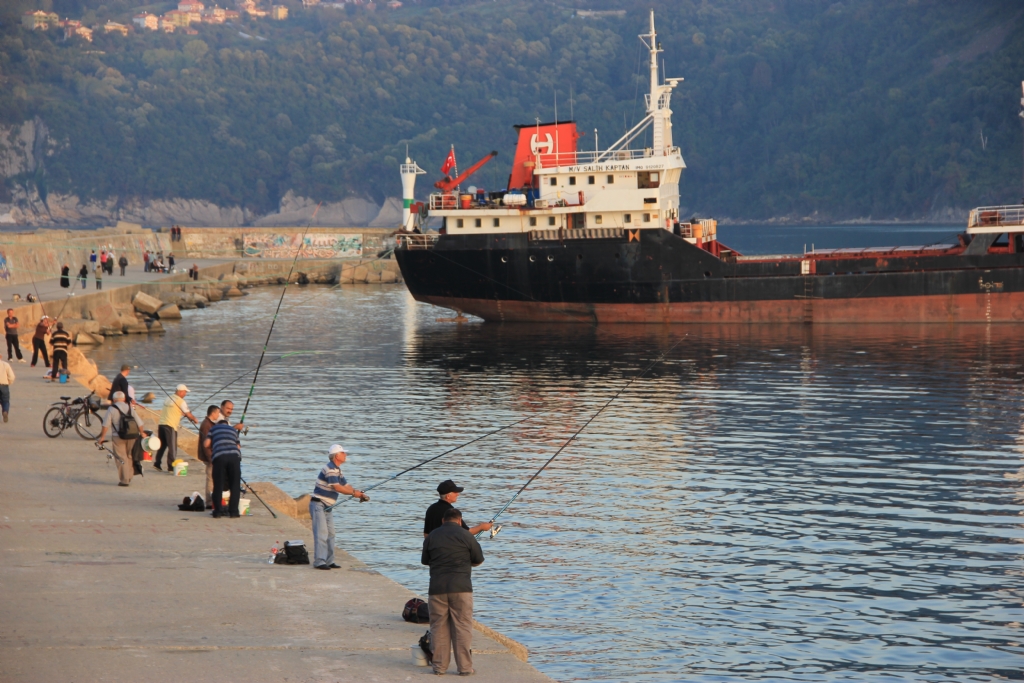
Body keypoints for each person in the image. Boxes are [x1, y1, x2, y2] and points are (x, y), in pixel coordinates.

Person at [421, 507, 484, 676]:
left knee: (438, 627)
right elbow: (478, 560)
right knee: (462, 627)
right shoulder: (466, 536)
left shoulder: (432, 536)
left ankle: (439, 667)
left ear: (443, 520)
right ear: (459, 521)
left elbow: (425, 561)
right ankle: (465, 668)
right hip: (461, 588)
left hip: (437, 588)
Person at [309, 445, 368, 569]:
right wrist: (354, 493)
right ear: (337, 456)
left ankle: (329, 561)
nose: (345, 455)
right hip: (318, 504)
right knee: (322, 534)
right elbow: (337, 487)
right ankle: (319, 562)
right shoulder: (330, 469)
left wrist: (359, 494)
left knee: (331, 534)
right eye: (343, 453)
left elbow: (345, 486)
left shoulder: (337, 470)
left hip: (327, 506)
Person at [96, 390, 142, 487]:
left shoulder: (112, 409)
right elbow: (139, 422)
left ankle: (124, 480)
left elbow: (105, 424)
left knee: (121, 457)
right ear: (124, 399)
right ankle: (129, 476)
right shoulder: (130, 407)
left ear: (114, 399)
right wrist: (142, 433)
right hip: (132, 436)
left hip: (118, 437)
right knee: (129, 456)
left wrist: (102, 437)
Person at [424, 480, 493, 538]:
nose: (458, 494)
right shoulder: (450, 511)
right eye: (455, 492)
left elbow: (426, 534)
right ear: (448, 496)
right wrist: (482, 527)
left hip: (432, 548)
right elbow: (466, 532)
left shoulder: (431, 508)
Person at [206, 415, 242, 517]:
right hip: (234, 457)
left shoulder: (213, 429)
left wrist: (213, 444)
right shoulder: (233, 430)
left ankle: (217, 512)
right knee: (235, 486)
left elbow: (206, 444)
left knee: (218, 485)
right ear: (227, 424)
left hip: (219, 457)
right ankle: (233, 512)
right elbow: (238, 447)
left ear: (218, 424)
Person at [154, 384, 197, 472]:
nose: (185, 394)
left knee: (162, 445)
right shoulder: (181, 401)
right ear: (180, 392)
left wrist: (183, 413)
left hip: (161, 424)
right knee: (172, 447)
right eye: (185, 392)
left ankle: (157, 463)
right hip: (170, 426)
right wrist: (194, 419)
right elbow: (188, 414)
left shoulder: (168, 398)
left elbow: (173, 410)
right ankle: (171, 466)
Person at [198, 404, 221, 507]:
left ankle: (212, 500)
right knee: (210, 478)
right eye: (218, 413)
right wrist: (211, 458)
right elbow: (206, 445)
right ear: (213, 413)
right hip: (210, 457)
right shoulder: (207, 425)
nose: (218, 415)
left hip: (212, 455)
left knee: (213, 478)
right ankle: (209, 501)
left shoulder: (209, 423)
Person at [0, 355, 14, 423]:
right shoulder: (5, 364)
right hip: (4, 385)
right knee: (5, 401)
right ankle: (5, 411)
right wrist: (9, 382)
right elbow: (12, 376)